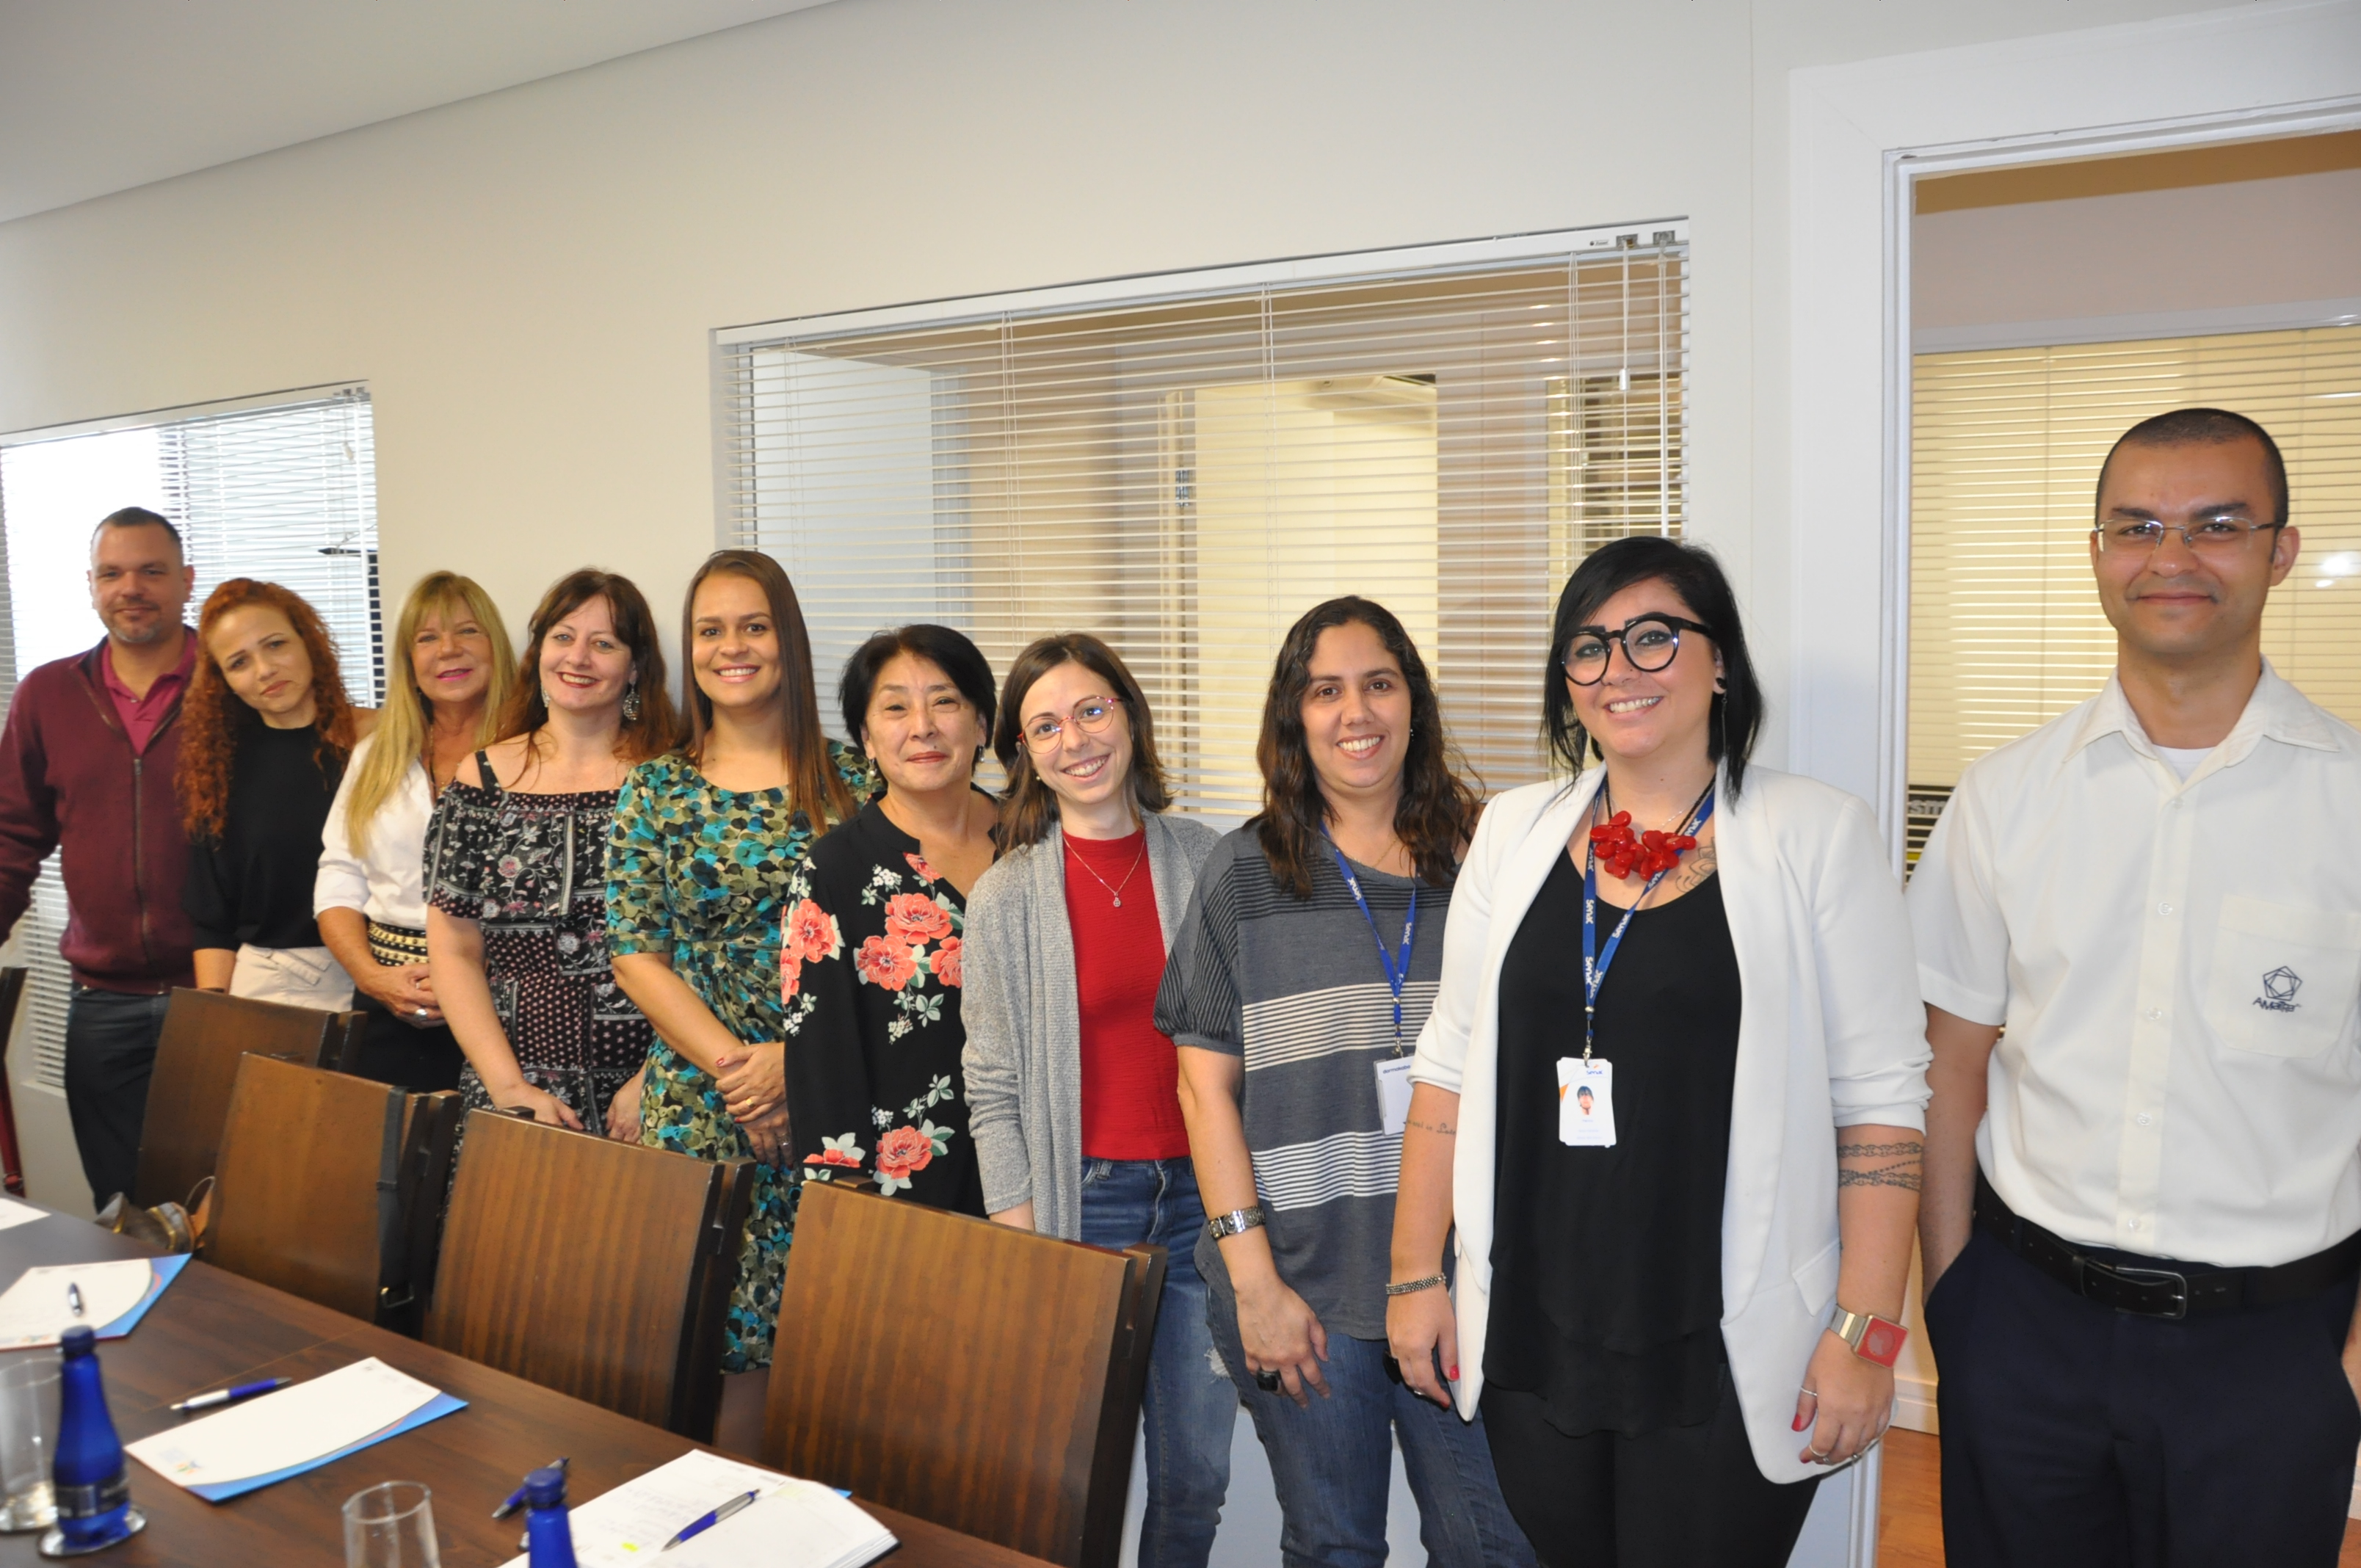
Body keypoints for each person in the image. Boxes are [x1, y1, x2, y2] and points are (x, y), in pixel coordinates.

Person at [1387, 539, 1931, 1568]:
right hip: (1535, 1327)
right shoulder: (1512, 832)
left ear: (1719, 661)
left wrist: (1867, 1334)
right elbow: (1446, 1070)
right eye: (1589, 647)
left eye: (1653, 637)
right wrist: (1415, 1276)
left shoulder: (1817, 835)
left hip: (1724, 1340)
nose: (1618, 670)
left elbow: (1881, 1107)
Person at [1911, 408, 2361, 1567]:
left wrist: (2348, 1367)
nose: (2173, 557)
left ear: (2281, 550)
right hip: (2026, 1330)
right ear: (2098, 553)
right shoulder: (2006, 798)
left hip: (2272, 1357)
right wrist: (1957, 1303)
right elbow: (1951, 1062)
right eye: (2138, 527)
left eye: (2217, 525)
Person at [1159, 597, 1532, 1568]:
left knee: (1494, 1547)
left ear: (1414, 702)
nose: (1355, 713)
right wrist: (1255, 1286)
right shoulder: (1243, 873)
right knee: (1334, 1547)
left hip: (1459, 1279)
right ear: (1295, 715)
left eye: (1378, 684)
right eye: (1326, 691)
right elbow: (1204, 1093)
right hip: (1300, 1283)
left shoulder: (1488, 863)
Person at [962, 632, 1231, 1568]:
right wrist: (1025, 1238)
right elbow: (992, 1084)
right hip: (1083, 1204)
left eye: (1090, 711)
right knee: (1072, 1477)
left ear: (1129, 715)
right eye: (1045, 726)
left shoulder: (1206, 859)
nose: (1074, 740)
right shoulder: (1005, 897)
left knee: (1195, 1481)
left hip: (1202, 1206)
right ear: (1023, 754)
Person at [606, 549, 873, 1388]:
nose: (732, 647)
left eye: (754, 626)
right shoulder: (655, 788)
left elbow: (894, 958)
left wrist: (795, 1065)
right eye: (710, 630)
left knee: (833, 1349)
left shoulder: (858, 781)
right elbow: (635, 955)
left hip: (837, 1092)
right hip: (699, 1099)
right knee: (698, 1353)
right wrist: (743, 1075)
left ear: (787, 637)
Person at [425, 568, 675, 1141]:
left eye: (604, 643)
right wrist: (508, 1088)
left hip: (651, 1092)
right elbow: (454, 948)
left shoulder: (672, 782)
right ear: (539, 652)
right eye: (563, 637)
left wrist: (656, 1078)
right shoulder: (481, 780)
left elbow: (699, 952)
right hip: (512, 1088)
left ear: (636, 667)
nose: (578, 657)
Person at [0, 508, 199, 1205]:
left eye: (151, 571)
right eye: (112, 573)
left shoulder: (233, 686)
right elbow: (11, 836)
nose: (131, 588)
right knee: (123, 1212)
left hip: (219, 995)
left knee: (232, 1208)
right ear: (90, 586)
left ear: (187, 581)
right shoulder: (48, 695)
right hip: (102, 1004)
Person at [781, 625, 998, 1211]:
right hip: (906, 1196)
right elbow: (822, 1067)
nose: (923, 726)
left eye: (945, 701)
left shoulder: (1037, 845)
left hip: (1059, 1176)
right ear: (867, 739)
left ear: (982, 724)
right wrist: (847, 1212)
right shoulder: (834, 871)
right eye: (896, 708)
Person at [316, 572, 516, 1090]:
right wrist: (371, 977)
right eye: (427, 638)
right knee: (385, 1143)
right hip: (387, 1008)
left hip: (505, 1010)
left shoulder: (534, 754)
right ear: (408, 662)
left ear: (496, 646)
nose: (447, 650)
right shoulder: (374, 755)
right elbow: (339, 876)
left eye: (467, 631)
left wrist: (465, 975)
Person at [178, 578, 373, 1009]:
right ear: (224, 681)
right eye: (239, 662)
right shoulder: (218, 773)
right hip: (279, 991)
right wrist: (211, 1017)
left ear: (308, 642)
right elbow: (213, 921)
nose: (265, 670)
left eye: (275, 644)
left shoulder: (383, 740)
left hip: (393, 976)